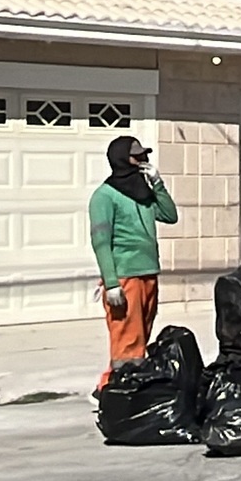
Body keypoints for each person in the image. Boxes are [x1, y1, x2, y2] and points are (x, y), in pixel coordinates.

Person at [90, 135, 178, 380]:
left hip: (148, 271)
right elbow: (100, 242)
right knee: (126, 341)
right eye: (137, 156)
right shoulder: (104, 196)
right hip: (125, 276)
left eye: (144, 156)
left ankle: (128, 389)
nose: (143, 160)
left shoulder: (144, 193)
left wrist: (158, 184)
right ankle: (112, 388)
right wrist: (111, 283)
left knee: (140, 336)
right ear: (121, 160)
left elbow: (170, 216)